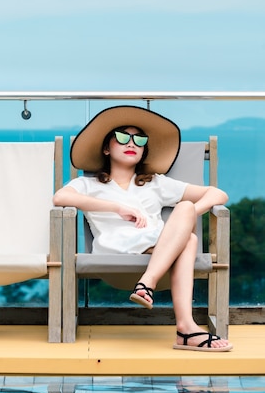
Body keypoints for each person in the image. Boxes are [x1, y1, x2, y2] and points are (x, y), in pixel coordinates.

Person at [53, 105, 233, 352]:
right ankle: (184, 327)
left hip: (158, 244)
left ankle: (150, 287)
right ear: (107, 148)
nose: (132, 143)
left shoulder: (155, 183)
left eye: (139, 140)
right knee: (188, 240)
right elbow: (60, 198)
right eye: (123, 137)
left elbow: (218, 193)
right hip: (114, 246)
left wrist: (190, 212)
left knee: (186, 214)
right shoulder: (88, 183)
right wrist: (116, 208)